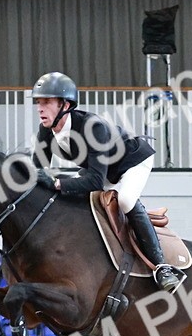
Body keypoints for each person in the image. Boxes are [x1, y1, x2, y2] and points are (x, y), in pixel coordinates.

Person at [29, 71, 184, 293]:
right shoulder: (46, 131)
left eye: (46, 102)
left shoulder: (92, 127)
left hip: (133, 161)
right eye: (38, 102)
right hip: (107, 172)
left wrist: (56, 183)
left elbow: (94, 181)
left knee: (125, 200)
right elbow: (37, 173)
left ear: (64, 104)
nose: (40, 108)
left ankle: (162, 267)